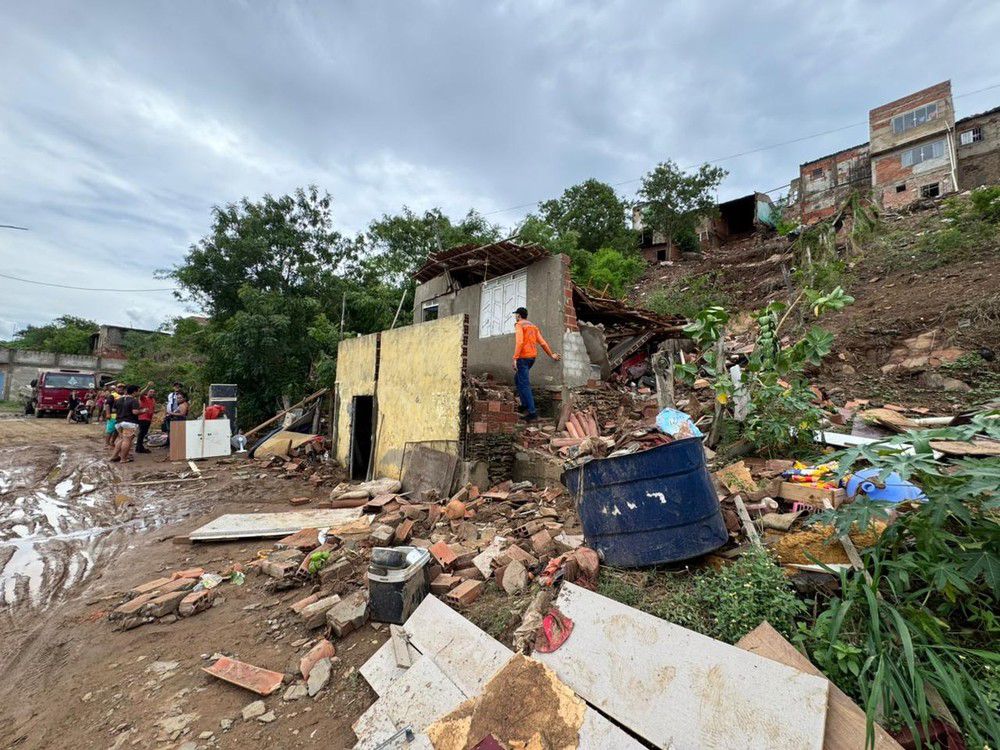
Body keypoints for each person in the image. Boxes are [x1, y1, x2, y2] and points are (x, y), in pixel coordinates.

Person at [511, 306, 561, 422]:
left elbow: (519, 342)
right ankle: (524, 405)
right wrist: (551, 354)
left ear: (519, 316)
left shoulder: (519, 325)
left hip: (523, 358)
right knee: (518, 379)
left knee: (524, 384)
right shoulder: (533, 326)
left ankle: (532, 412)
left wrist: (515, 358)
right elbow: (542, 343)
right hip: (532, 358)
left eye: (516, 315)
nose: (515, 317)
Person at [111, 385, 141, 463]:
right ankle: (123, 458)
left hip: (119, 422)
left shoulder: (118, 400)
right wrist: (144, 411)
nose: (139, 392)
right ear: (134, 391)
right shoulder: (134, 400)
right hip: (129, 422)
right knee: (127, 440)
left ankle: (114, 456)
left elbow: (113, 409)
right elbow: (135, 412)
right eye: (138, 391)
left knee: (121, 439)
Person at [136, 381, 156, 453]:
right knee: (142, 433)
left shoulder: (153, 400)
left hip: (148, 419)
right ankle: (139, 448)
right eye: (150, 391)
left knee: (143, 433)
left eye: (153, 392)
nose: (152, 393)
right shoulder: (144, 398)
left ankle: (139, 447)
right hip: (142, 418)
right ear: (147, 392)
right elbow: (140, 393)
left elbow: (152, 409)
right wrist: (147, 386)